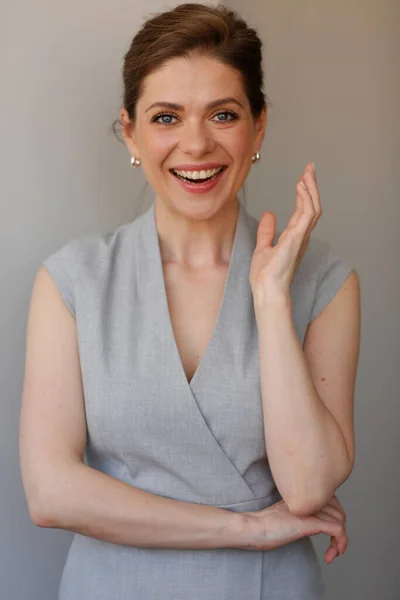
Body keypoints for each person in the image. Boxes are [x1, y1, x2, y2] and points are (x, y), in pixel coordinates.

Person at [19, 3, 361, 599]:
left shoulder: (323, 280)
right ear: (131, 131)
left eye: (223, 114)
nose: (195, 144)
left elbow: (307, 488)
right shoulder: (71, 280)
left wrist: (271, 301)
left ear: (258, 126)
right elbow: (50, 493)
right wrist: (247, 529)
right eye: (166, 117)